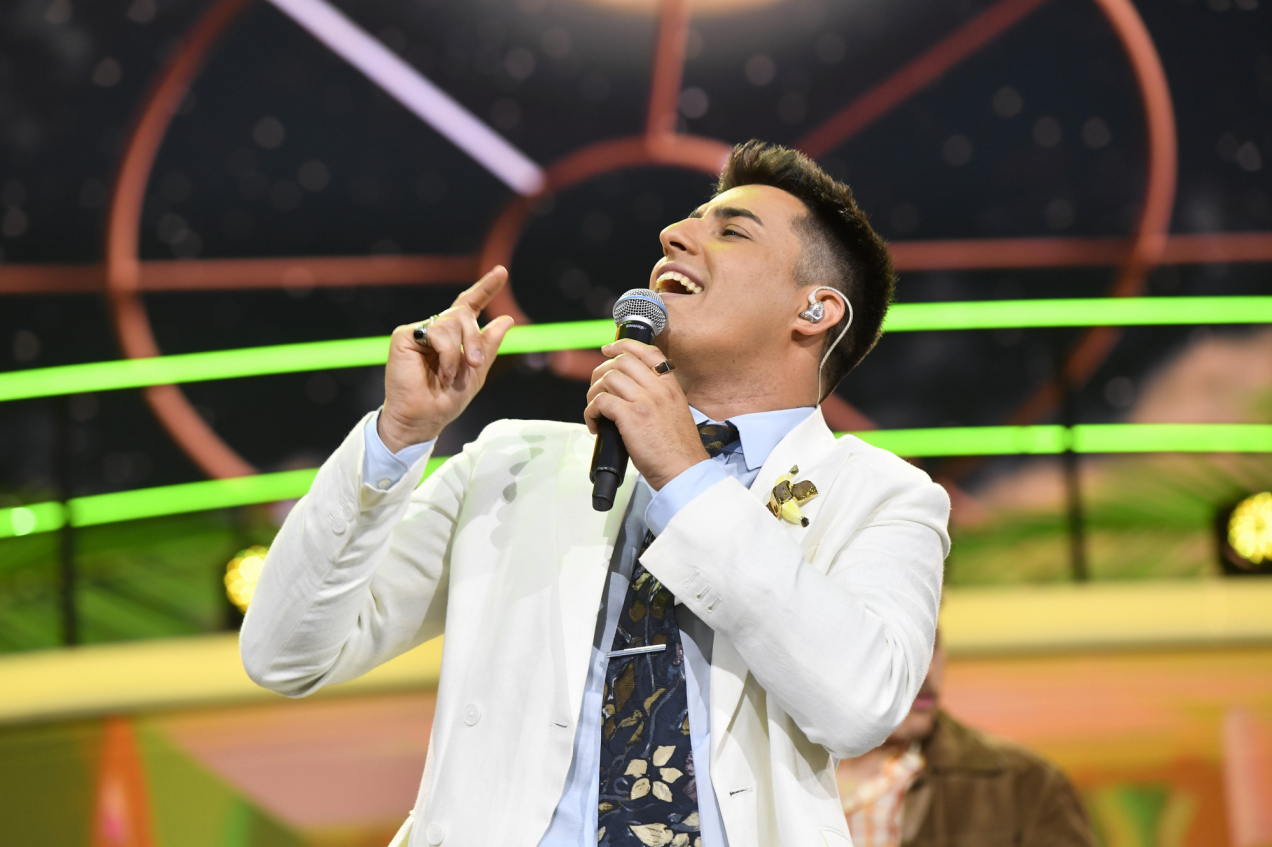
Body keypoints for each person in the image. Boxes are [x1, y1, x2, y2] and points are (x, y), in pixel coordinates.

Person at [240, 140, 950, 847]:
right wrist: (396, 437)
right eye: (686, 222)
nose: (673, 236)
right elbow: (286, 654)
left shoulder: (884, 497)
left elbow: (861, 704)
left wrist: (686, 476)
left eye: (731, 231)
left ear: (816, 309)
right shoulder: (512, 465)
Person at [837, 633, 1096, 847]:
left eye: (931, 643)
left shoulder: (1025, 784)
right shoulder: (811, 783)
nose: (926, 670)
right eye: (894, 648)